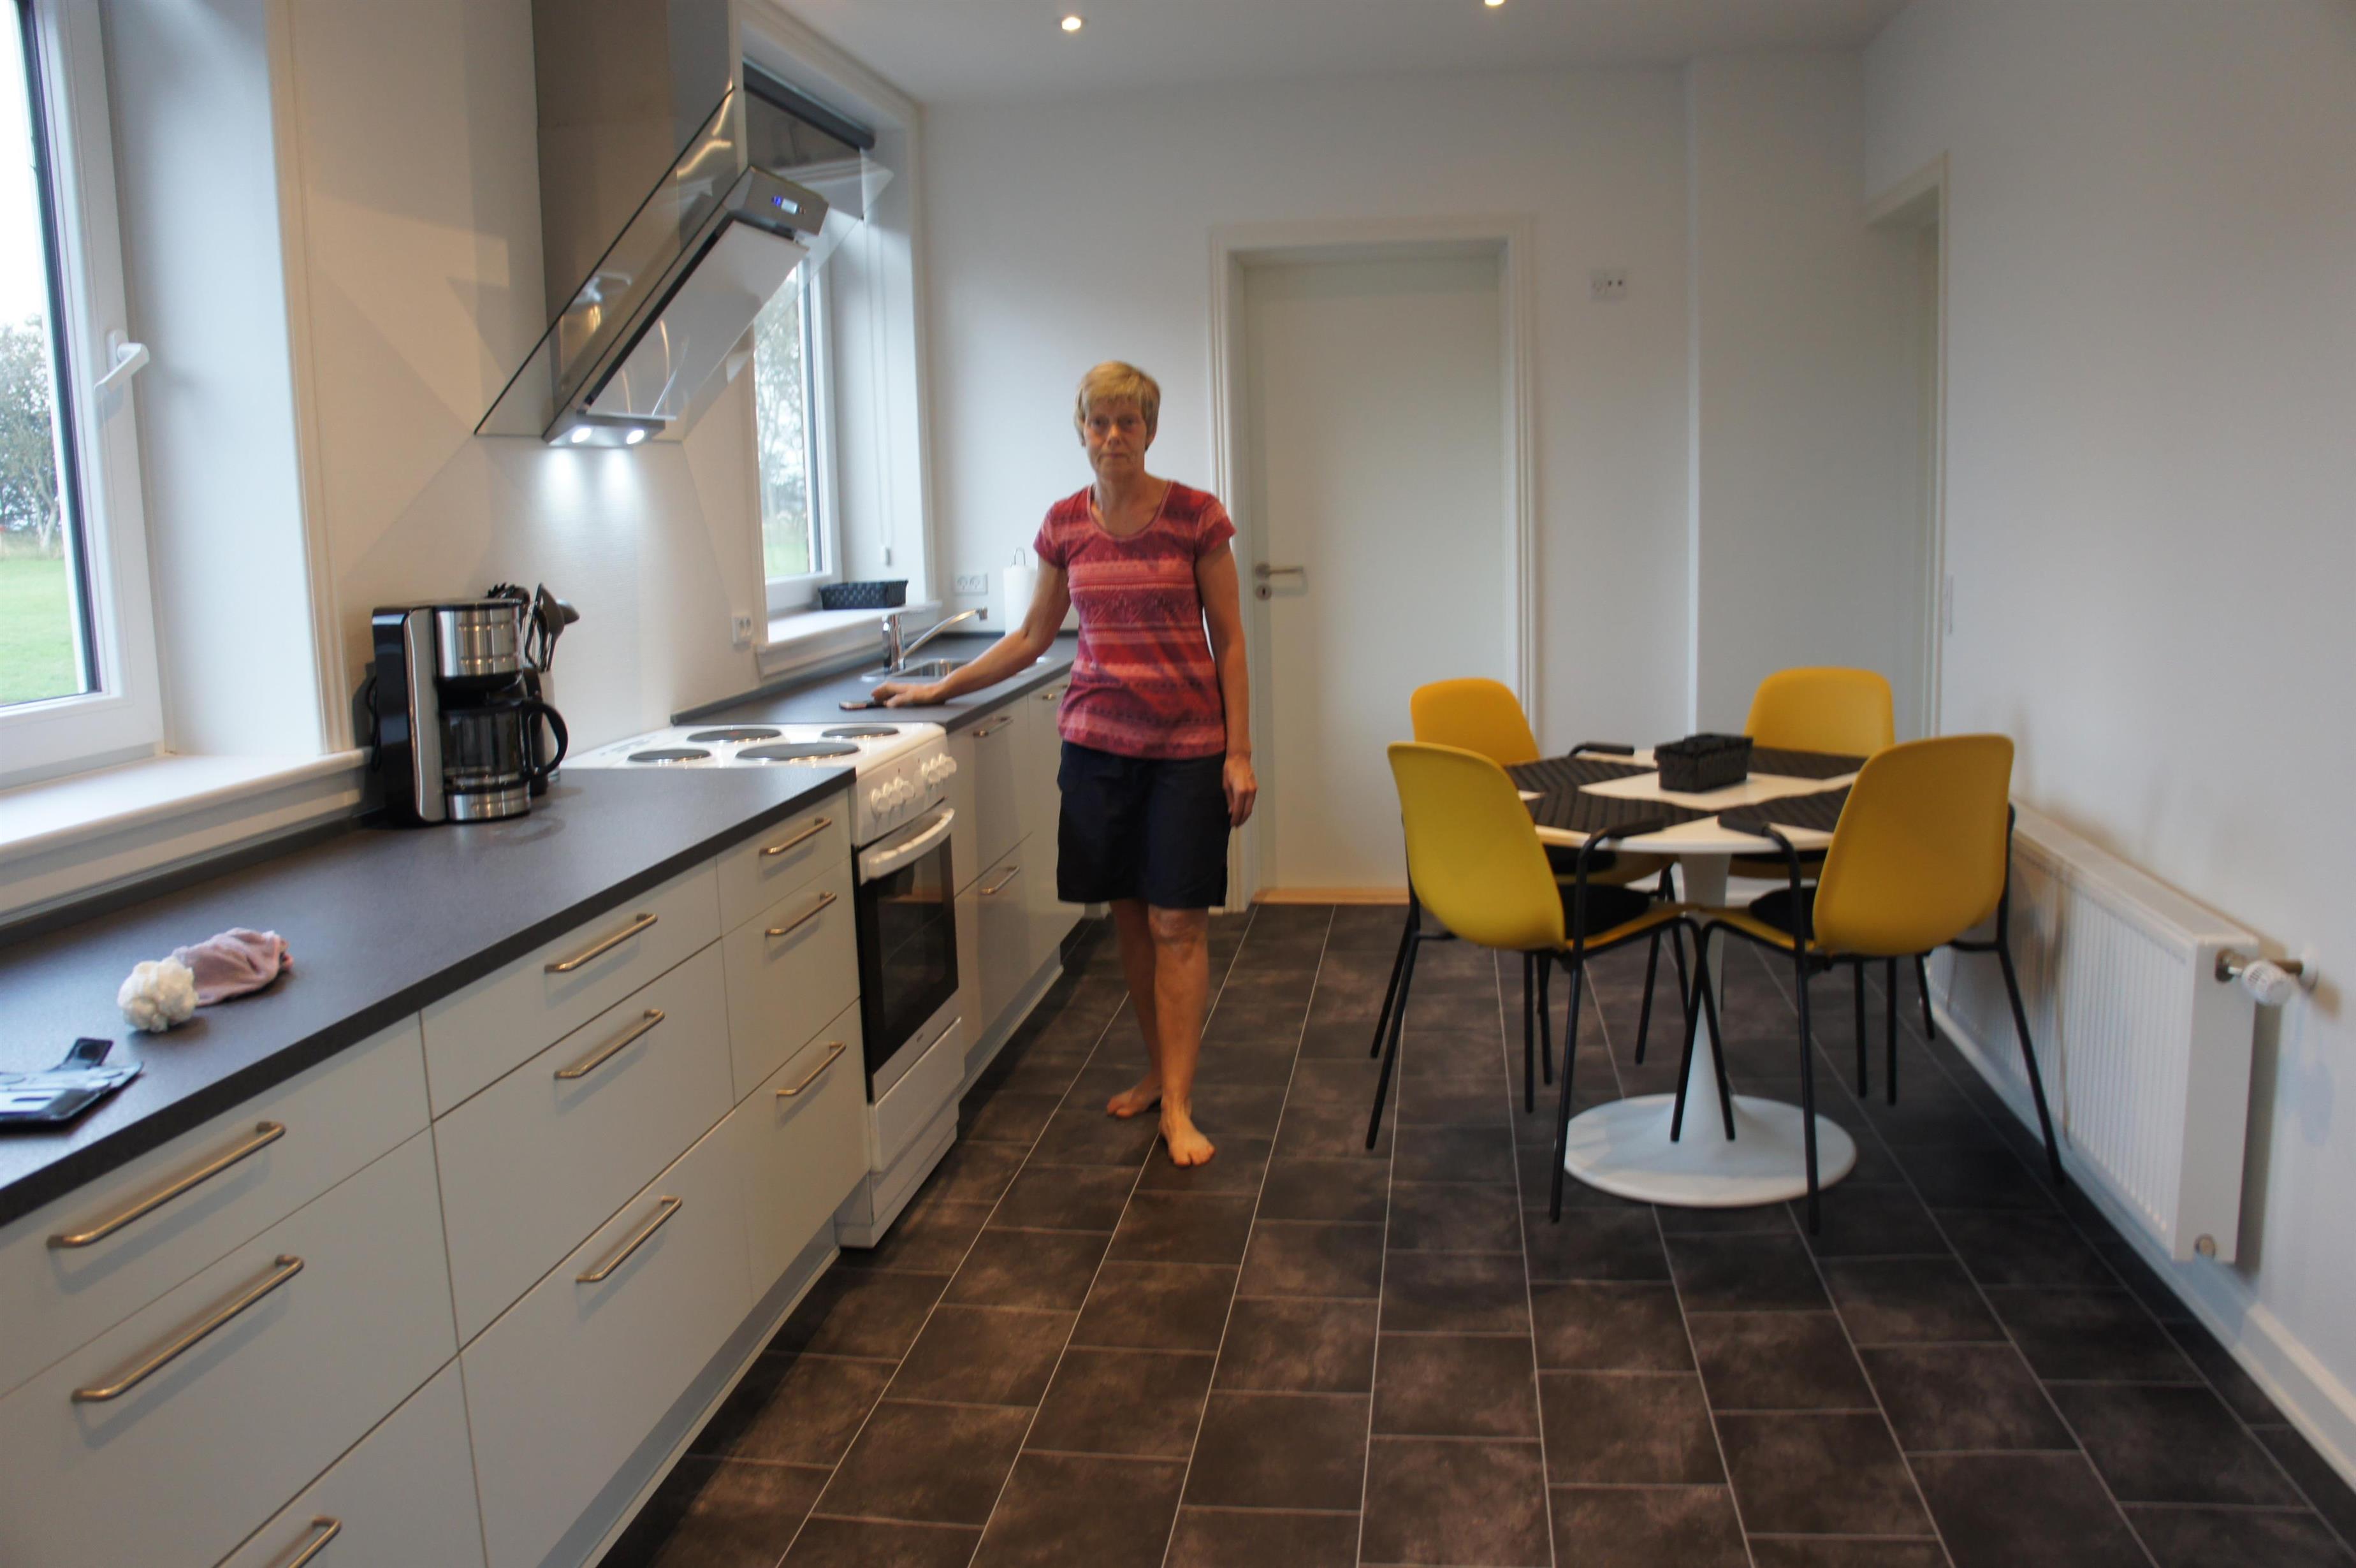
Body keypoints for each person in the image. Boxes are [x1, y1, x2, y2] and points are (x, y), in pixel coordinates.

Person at [874, 361, 1254, 1167]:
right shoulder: (1063, 525)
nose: (1114, 436)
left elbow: (1230, 639)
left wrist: (1241, 753)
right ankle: (1158, 1072)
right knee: (1131, 919)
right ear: (1082, 431)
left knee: (1178, 922)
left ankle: (1178, 1105)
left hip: (1186, 754)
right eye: (1099, 422)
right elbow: (1030, 638)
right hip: (1097, 753)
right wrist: (938, 689)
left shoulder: (1197, 516)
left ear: (1150, 430)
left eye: (1128, 421)